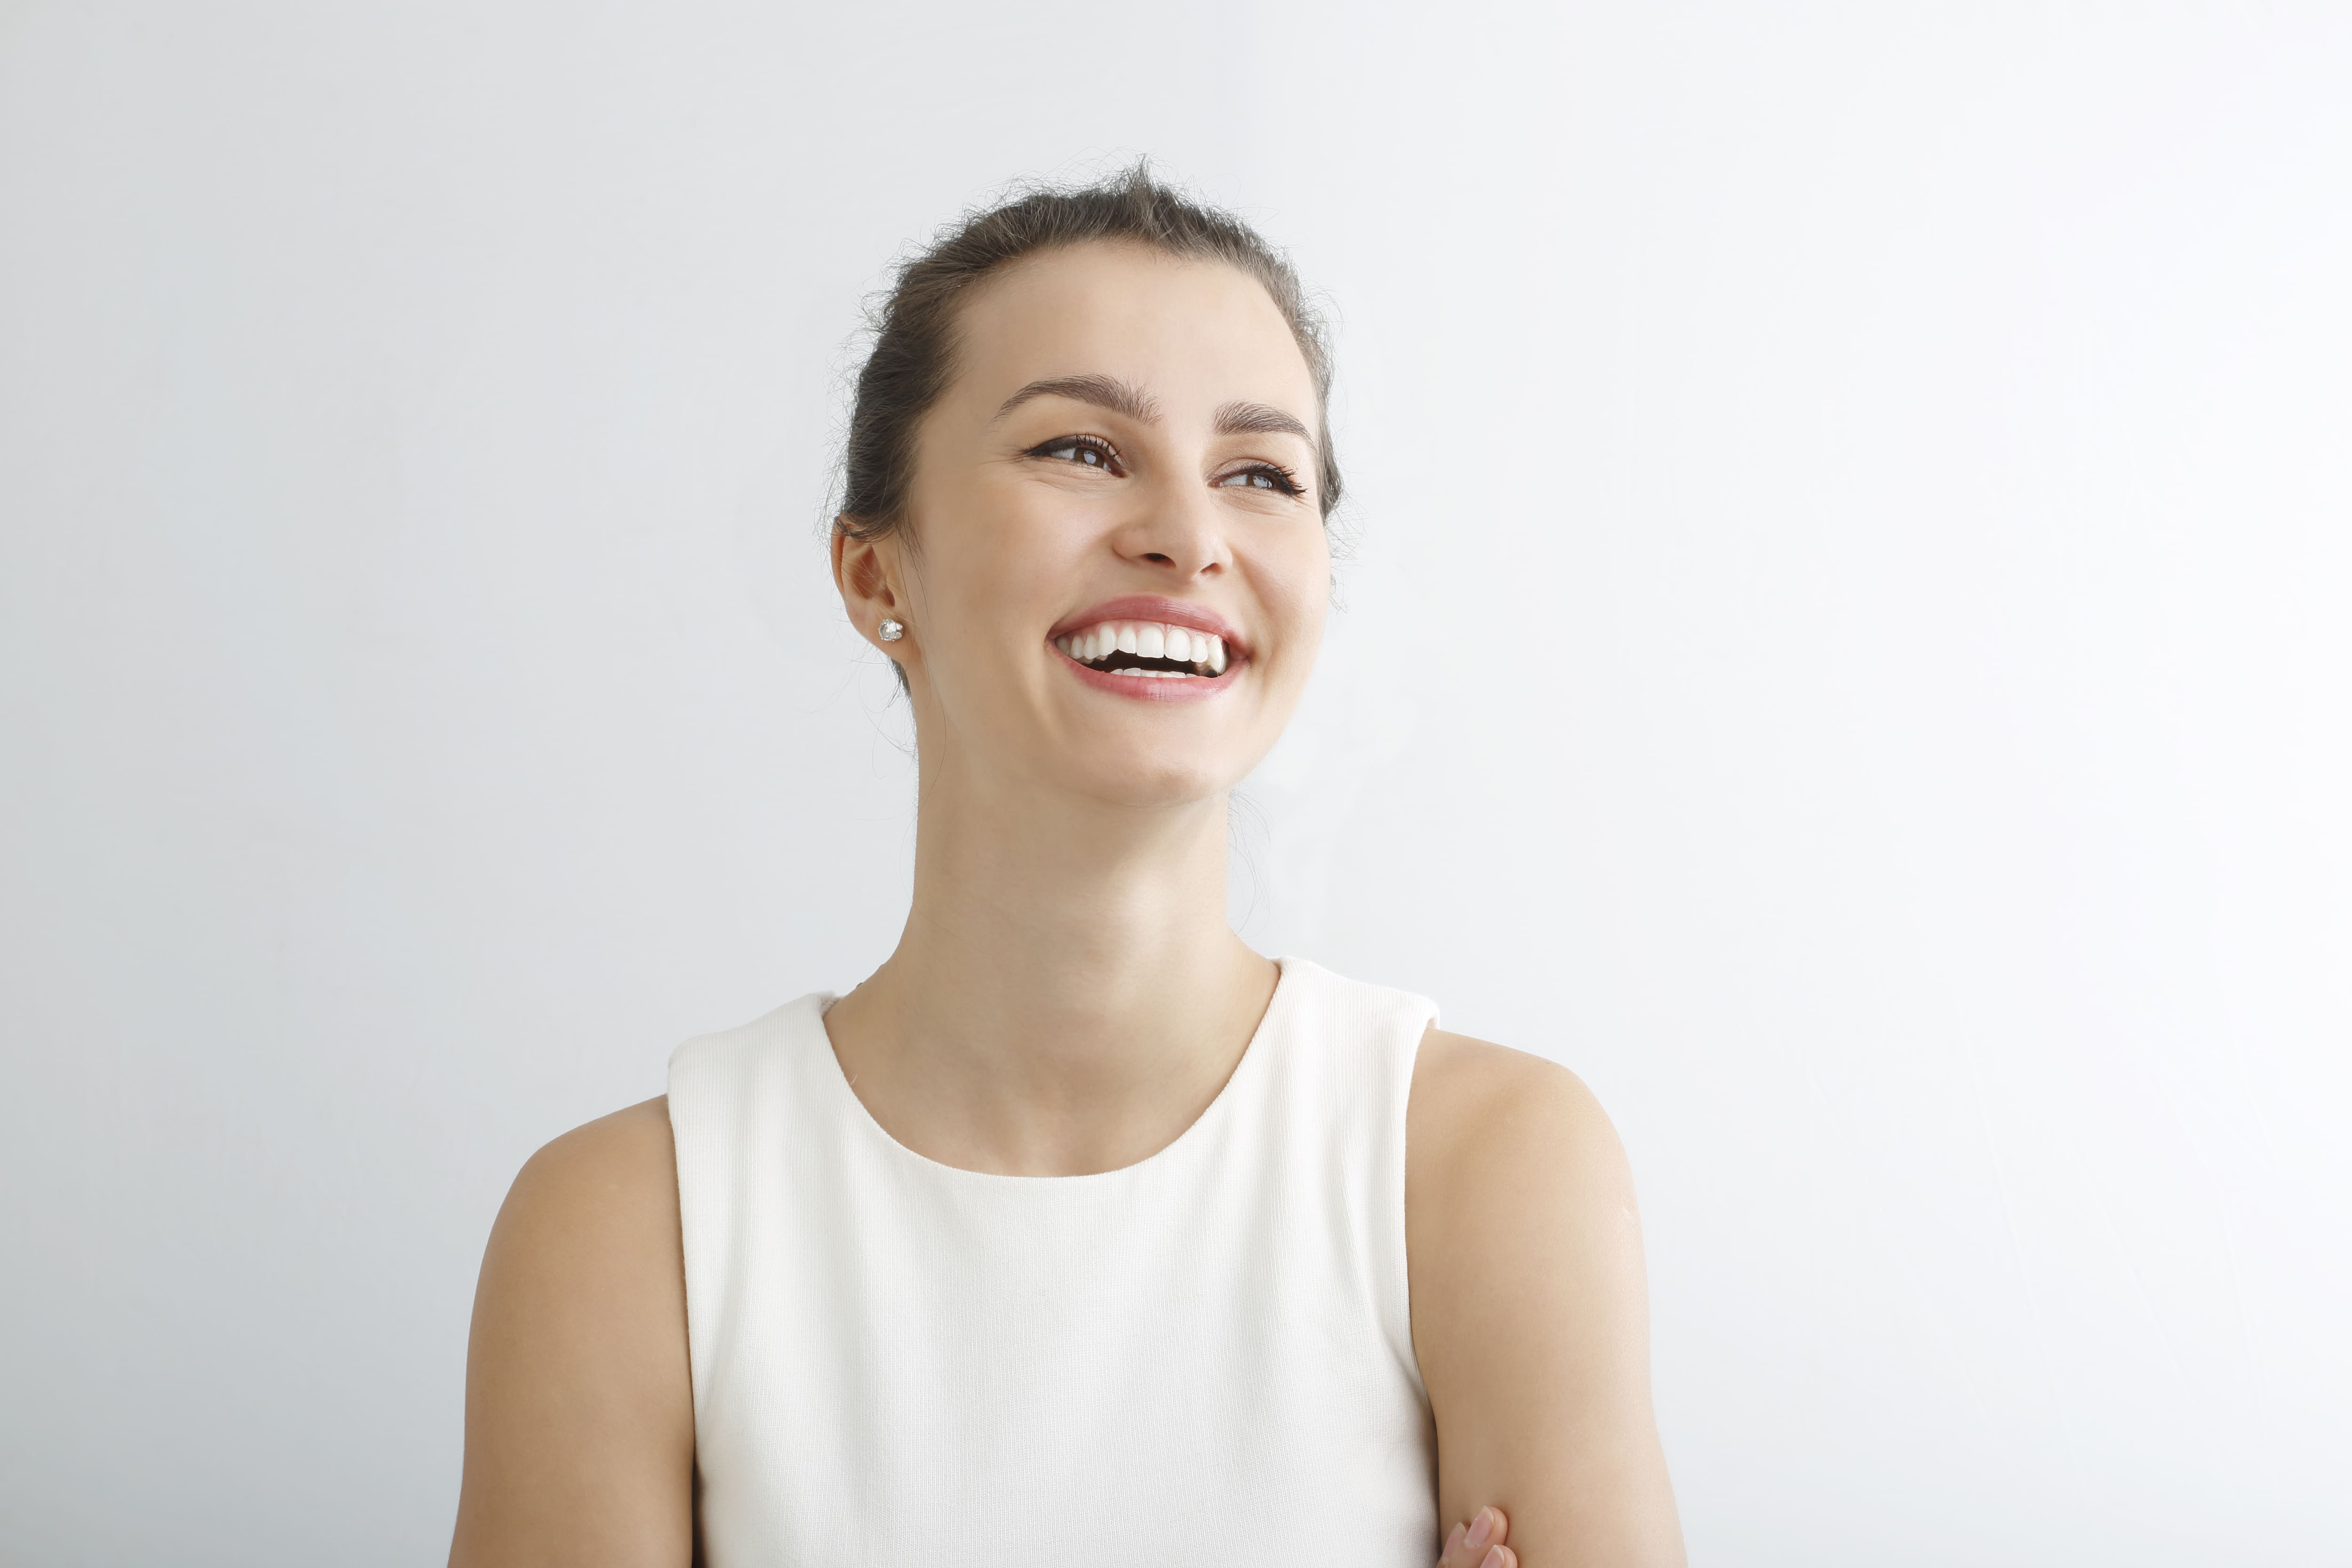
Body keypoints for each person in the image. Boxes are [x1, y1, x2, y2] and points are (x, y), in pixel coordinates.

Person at [447, 167, 1685, 1568]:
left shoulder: (1484, 1167)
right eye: (1081, 451)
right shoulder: (630, 1229)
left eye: (1260, 475)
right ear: (875, 576)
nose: (1189, 534)